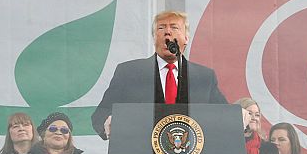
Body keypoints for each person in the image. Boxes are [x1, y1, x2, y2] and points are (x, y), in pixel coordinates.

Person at [91, 10, 227, 139]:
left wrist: (241, 115)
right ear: (154, 38)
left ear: (186, 38)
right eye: (161, 28)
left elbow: (225, 115)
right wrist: (107, 122)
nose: (167, 32)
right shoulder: (128, 72)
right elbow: (101, 113)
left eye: (174, 27)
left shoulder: (204, 77)